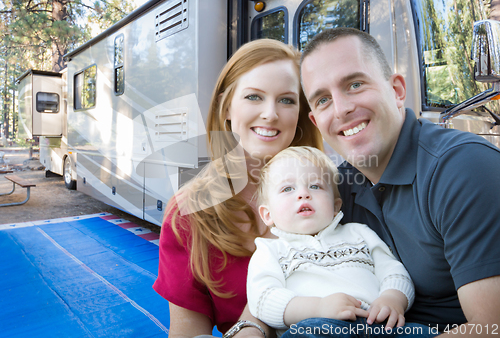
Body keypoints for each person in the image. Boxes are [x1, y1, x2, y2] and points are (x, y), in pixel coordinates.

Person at [300, 27, 500, 335]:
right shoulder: (337, 189)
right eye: (323, 100)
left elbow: (490, 328)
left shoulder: (463, 167)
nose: (341, 109)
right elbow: (281, 259)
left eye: (354, 84)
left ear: (396, 90)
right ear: (316, 121)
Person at [153, 39, 324, 338]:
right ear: (226, 107)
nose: (271, 113)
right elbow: (187, 330)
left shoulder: (328, 192)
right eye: (254, 97)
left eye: (286, 100)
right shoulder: (188, 213)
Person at [248, 146, 436, 338]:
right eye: (288, 188)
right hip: (317, 326)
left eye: (315, 186)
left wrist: (393, 298)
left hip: (378, 322)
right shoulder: (270, 250)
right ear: (267, 214)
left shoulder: (359, 232)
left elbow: (393, 271)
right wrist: (318, 307)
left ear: (336, 206)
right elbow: (263, 298)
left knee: (424, 333)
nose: (303, 194)